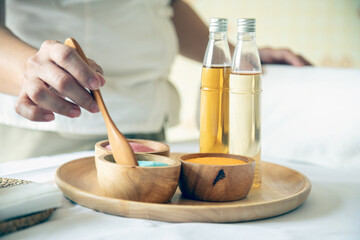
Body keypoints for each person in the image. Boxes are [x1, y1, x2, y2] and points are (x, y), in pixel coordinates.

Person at [0, 0, 310, 161]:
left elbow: (163, 6)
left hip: (150, 127)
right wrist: (26, 71)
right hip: (47, 132)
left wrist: (232, 53)